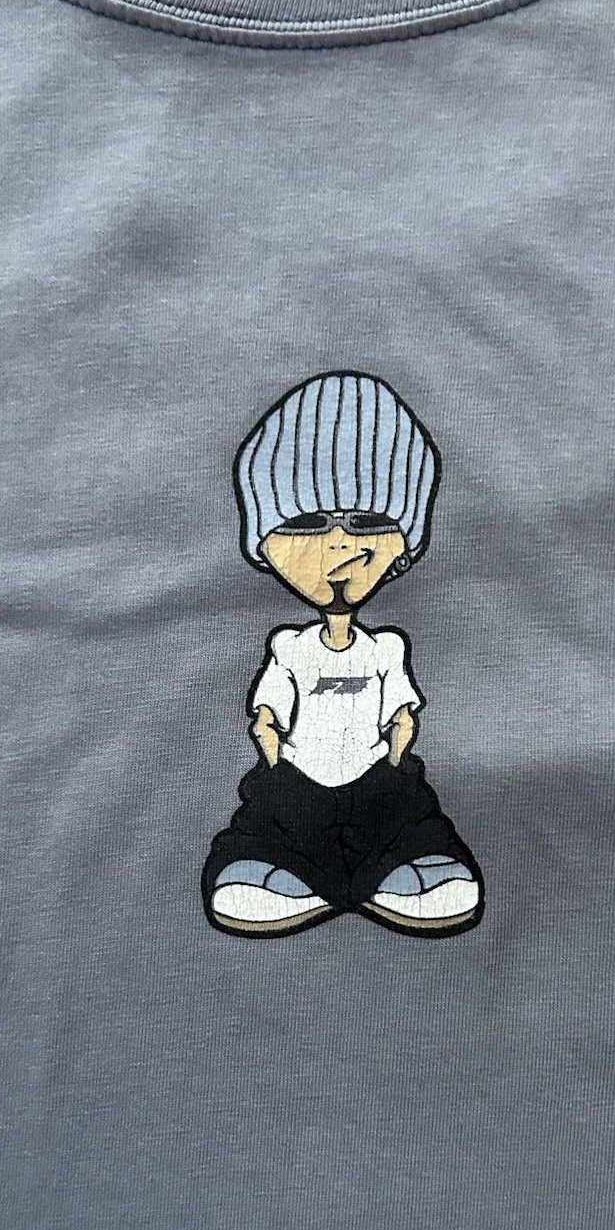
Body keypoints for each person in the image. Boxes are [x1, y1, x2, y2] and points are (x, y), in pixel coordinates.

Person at [202, 371, 485, 937]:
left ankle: (404, 863)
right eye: (305, 524)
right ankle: (280, 867)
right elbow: (270, 707)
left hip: (375, 772)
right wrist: (272, 746)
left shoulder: (386, 649)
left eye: (368, 522)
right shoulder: (288, 648)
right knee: (279, 817)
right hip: (298, 774)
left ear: (403, 546)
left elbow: (400, 709)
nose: (338, 545)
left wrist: (397, 748)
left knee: (400, 812)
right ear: (264, 547)